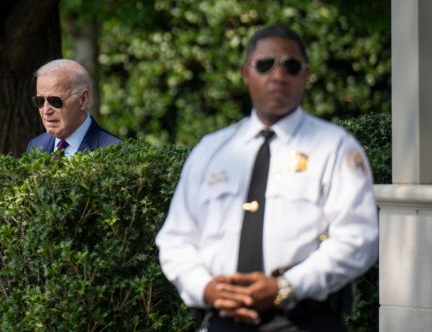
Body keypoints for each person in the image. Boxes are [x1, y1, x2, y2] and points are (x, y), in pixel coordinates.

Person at [155, 25, 378, 331]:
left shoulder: (335, 148)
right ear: (246, 73)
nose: (277, 75)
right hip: (223, 320)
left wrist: (284, 286)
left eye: (291, 66)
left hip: (304, 320)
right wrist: (206, 288)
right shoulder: (211, 151)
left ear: (305, 75)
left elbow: (358, 238)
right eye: (265, 65)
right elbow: (175, 239)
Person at [27, 59, 121, 155]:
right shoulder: (36, 145)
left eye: (55, 101)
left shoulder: (114, 151)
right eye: (40, 101)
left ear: (83, 100)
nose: (46, 110)